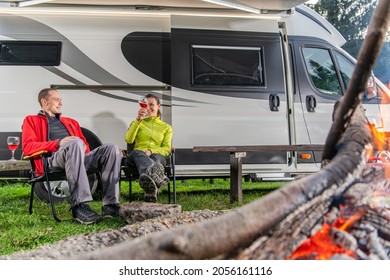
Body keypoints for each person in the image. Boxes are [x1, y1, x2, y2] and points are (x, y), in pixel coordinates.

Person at [22, 88, 122, 225]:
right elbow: (28, 147)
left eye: (61, 100)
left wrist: (81, 146)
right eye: (57, 99)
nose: (61, 103)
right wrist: (58, 143)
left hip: (78, 158)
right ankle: (79, 206)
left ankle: (110, 205)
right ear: (44, 102)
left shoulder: (71, 122)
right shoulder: (31, 120)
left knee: (112, 149)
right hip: (52, 161)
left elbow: (85, 145)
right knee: (74, 143)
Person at [125, 93, 173, 202]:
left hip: (156, 156)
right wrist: (138, 120)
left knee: (156, 156)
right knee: (137, 152)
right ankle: (158, 176)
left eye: (152, 104)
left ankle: (150, 190)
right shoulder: (138, 123)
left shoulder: (166, 127)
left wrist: (151, 151)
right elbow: (129, 140)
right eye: (146, 105)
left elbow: (166, 148)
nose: (149, 107)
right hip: (136, 158)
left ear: (158, 106)